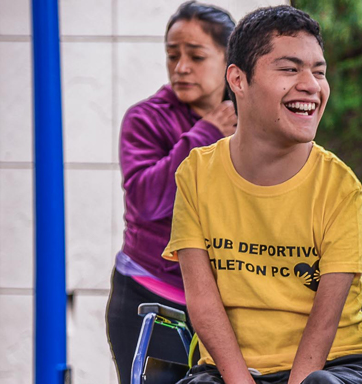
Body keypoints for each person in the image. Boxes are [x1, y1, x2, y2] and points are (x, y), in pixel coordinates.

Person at [163, 5, 362, 384]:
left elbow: (326, 317)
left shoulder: (339, 187)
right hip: (228, 370)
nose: (311, 85)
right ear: (238, 79)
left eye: (319, 71)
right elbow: (202, 303)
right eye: (289, 69)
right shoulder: (197, 175)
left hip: (332, 366)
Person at [108, 2, 235, 382]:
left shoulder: (250, 121)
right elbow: (146, 200)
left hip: (226, 307)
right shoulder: (145, 119)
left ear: (231, 60)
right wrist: (205, 135)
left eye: (195, 56)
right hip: (150, 302)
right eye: (172, 55)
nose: (180, 67)